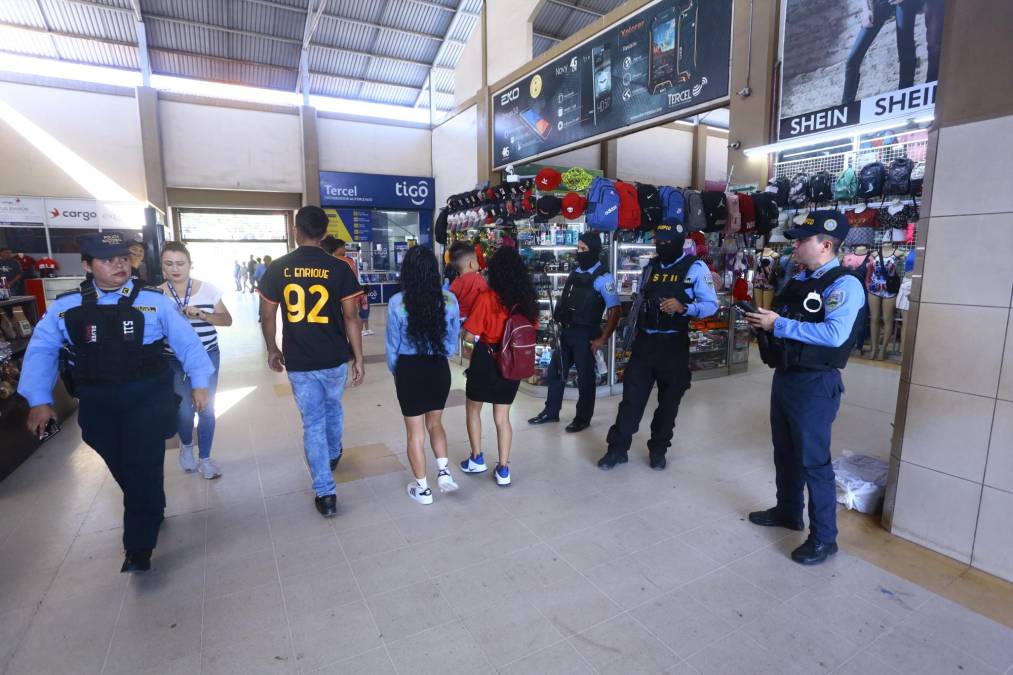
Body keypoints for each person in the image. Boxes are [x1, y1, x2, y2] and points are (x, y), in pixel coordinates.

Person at [18, 232, 214, 573]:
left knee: (140, 462)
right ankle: (150, 501)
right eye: (108, 260)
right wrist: (39, 400)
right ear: (87, 266)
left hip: (148, 396)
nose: (118, 265)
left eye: (123, 258)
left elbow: (189, 345)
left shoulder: (154, 302)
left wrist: (199, 384)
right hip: (97, 400)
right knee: (116, 456)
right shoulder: (66, 307)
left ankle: (139, 547)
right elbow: (41, 351)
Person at [744, 211, 866, 565]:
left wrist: (778, 325)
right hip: (786, 376)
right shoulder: (800, 278)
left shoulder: (844, 285)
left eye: (801, 239)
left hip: (815, 383)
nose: (794, 244)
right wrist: (764, 326)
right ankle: (788, 510)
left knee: (813, 462)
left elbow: (834, 335)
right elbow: (794, 321)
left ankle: (824, 538)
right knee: (784, 450)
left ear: (826, 244)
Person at [259, 206, 365, 518]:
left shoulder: (278, 268)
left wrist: (272, 349)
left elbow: (267, 316)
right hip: (334, 358)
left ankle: (326, 493)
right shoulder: (340, 268)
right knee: (333, 407)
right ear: (325, 234)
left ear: (296, 230)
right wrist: (358, 357)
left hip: (300, 360)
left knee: (313, 423)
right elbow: (351, 317)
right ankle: (333, 453)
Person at [598, 222, 719, 471]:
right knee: (631, 400)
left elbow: (711, 304)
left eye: (666, 242)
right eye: (658, 241)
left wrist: (685, 307)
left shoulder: (695, 268)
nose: (661, 245)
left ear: (679, 242)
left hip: (673, 343)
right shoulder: (650, 267)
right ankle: (617, 449)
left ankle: (659, 449)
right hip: (645, 342)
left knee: (669, 402)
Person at [385, 246, 462, 505]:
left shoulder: (397, 302)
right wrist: (442, 354)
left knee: (415, 433)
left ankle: (423, 490)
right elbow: (453, 338)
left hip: (410, 369)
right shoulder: (449, 300)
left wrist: (398, 372)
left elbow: (392, 345)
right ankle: (443, 471)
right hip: (439, 368)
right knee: (436, 424)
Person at [459, 246, 539, 486]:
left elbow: (470, 336)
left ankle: (476, 458)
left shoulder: (487, 298)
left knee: (473, 409)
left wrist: (465, 331)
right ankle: (504, 469)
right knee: (502, 417)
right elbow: (530, 331)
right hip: (512, 362)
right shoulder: (527, 302)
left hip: (486, 360)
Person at [529, 232, 621, 432]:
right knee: (556, 371)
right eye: (578, 248)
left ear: (594, 251)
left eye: (583, 249)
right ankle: (551, 412)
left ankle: (583, 418)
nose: (579, 252)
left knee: (585, 378)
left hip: (586, 335)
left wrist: (603, 338)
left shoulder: (604, 278)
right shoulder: (576, 271)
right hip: (566, 331)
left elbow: (615, 310)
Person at [160, 242, 233, 480]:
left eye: (180, 263)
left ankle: (206, 459)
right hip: (173, 360)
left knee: (207, 409)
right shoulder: (156, 295)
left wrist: (202, 314)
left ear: (190, 265)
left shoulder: (208, 290)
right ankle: (186, 445)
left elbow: (227, 320)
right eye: (169, 264)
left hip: (207, 355)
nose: (175, 269)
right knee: (183, 411)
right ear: (162, 266)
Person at [842, 0, 922, 104]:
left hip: (902, 3)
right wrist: (866, 9)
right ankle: (846, 106)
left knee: (905, 49)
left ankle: (904, 99)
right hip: (878, 3)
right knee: (852, 60)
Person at [447, 240, 487, 323]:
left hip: (457, 320)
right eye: (476, 259)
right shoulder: (478, 279)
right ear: (471, 264)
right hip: (474, 321)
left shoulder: (454, 283)